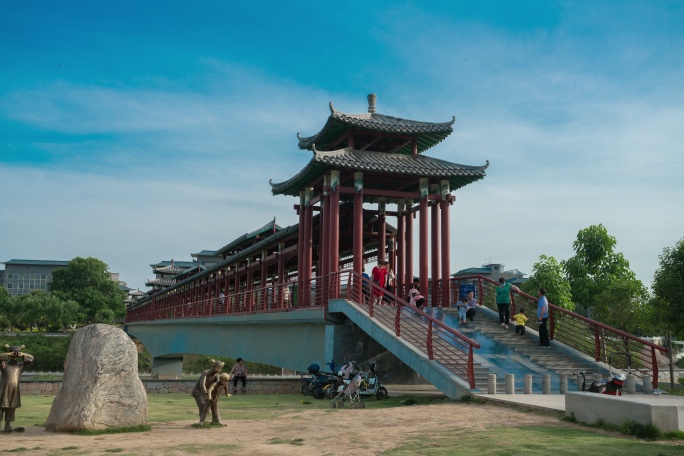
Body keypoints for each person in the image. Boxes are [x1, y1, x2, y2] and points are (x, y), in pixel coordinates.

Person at [0, 345, 33, 432]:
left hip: (14, 391)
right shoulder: (4, 365)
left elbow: (31, 358)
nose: (15, 356)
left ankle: (8, 425)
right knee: (1, 407)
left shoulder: (20, 367)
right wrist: (8, 354)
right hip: (4, 390)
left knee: (11, 408)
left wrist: (22, 354)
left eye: (16, 355)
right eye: (13, 354)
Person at [191, 360, 224, 426]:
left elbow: (216, 384)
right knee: (203, 404)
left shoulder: (216, 375)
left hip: (208, 391)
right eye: (218, 367)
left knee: (214, 404)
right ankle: (201, 421)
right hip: (198, 391)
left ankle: (216, 420)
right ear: (214, 366)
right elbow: (202, 384)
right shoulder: (206, 373)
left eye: (220, 368)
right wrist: (205, 394)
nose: (219, 370)